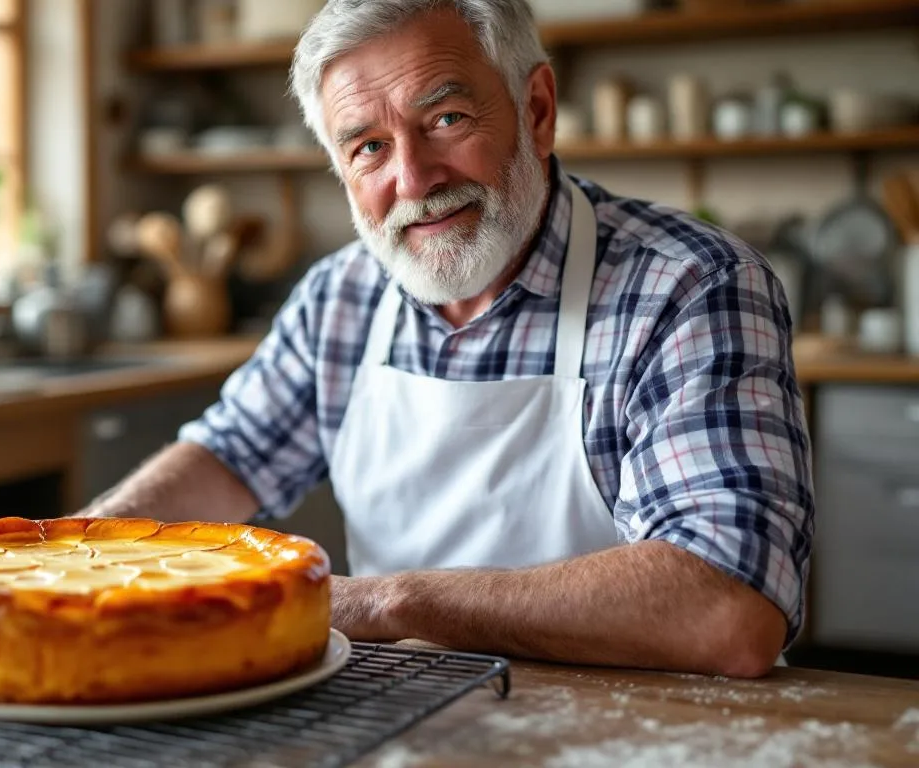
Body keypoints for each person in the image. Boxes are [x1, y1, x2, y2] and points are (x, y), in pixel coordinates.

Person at [79, 0, 813, 679]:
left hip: (648, 732)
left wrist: (388, 604)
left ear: (538, 110)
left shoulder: (688, 287)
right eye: (368, 147)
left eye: (447, 120)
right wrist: (87, 548)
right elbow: (230, 453)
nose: (414, 178)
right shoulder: (342, 295)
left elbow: (726, 607)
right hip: (401, 716)